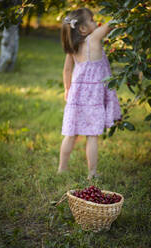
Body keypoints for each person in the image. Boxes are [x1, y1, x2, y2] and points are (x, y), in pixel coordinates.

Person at [57, 8, 122, 179]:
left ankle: (62, 168)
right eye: (92, 20)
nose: (96, 23)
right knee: (92, 135)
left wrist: (66, 89)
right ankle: (92, 173)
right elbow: (111, 24)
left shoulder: (73, 46)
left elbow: (67, 70)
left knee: (70, 134)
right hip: (93, 97)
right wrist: (127, 10)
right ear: (83, 29)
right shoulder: (93, 39)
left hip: (76, 96)